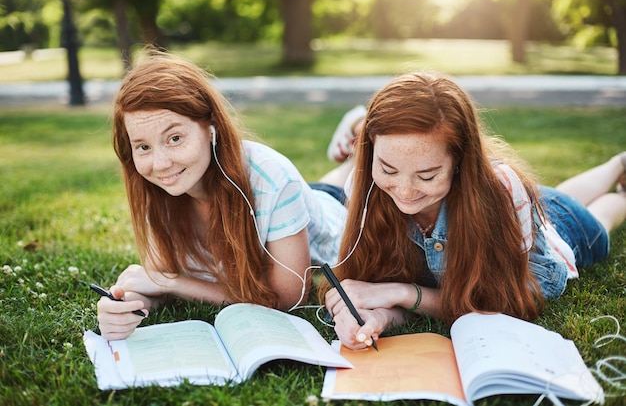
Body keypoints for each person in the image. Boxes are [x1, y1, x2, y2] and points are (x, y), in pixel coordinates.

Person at [318, 71, 626, 350]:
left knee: (599, 219)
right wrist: (375, 316)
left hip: (562, 230)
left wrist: (402, 293)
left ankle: (618, 167)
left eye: (427, 176)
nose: (405, 190)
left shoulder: (501, 191)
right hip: (529, 209)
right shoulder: (365, 187)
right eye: (388, 169)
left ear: (461, 162)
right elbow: (370, 286)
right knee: (555, 197)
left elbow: (509, 300)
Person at [96, 50, 347, 340]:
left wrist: (174, 283)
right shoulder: (161, 187)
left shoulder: (273, 178)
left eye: (175, 138)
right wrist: (127, 305)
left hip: (334, 210)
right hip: (298, 200)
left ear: (211, 128)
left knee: (347, 182)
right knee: (327, 181)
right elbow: (156, 283)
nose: (160, 163)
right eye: (143, 147)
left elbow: (289, 300)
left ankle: (359, 131)